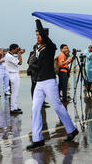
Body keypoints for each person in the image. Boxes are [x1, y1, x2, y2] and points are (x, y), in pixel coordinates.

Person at [27, 19, 78, 150]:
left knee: (57, 106)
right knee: (35, 109)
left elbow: (44, 38)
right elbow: (37, 64)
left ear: (45, 36)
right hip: (39, 82)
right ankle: (37, 139)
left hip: (49, 81)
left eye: (39, 35)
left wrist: (37, 21)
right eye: (36, 35)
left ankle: (71, 130)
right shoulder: (38, 49)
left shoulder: (51, 46)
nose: (38, 37)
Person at [4, 44, 25, 114]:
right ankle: (13, 109)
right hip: (12, 75)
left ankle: (15, 107)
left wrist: (19, 54)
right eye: (17, 49)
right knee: (14, 93)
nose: (18, 50)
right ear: (13, 49)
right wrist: (20, 54)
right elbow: (20, 62)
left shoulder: (10, 55)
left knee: (15, 92)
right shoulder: (9, 56)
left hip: (13, 74)